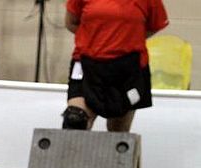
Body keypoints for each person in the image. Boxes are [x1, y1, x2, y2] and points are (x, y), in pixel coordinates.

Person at [62, 0, 169, 132]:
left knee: (119, 134)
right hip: (87, 63)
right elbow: (71, 23)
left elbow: (153, 26)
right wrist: (97, 38)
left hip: (127, 69)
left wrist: (126, 39)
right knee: (75, 120)